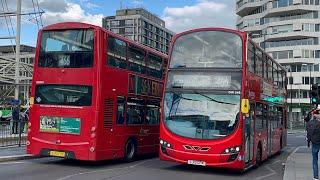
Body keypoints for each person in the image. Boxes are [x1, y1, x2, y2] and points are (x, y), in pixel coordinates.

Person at [306, 108, 320, 180]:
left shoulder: (310, 123)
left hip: (315, 143)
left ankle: (316, 176)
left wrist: (308, 142)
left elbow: (309, 134)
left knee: (315, 159)